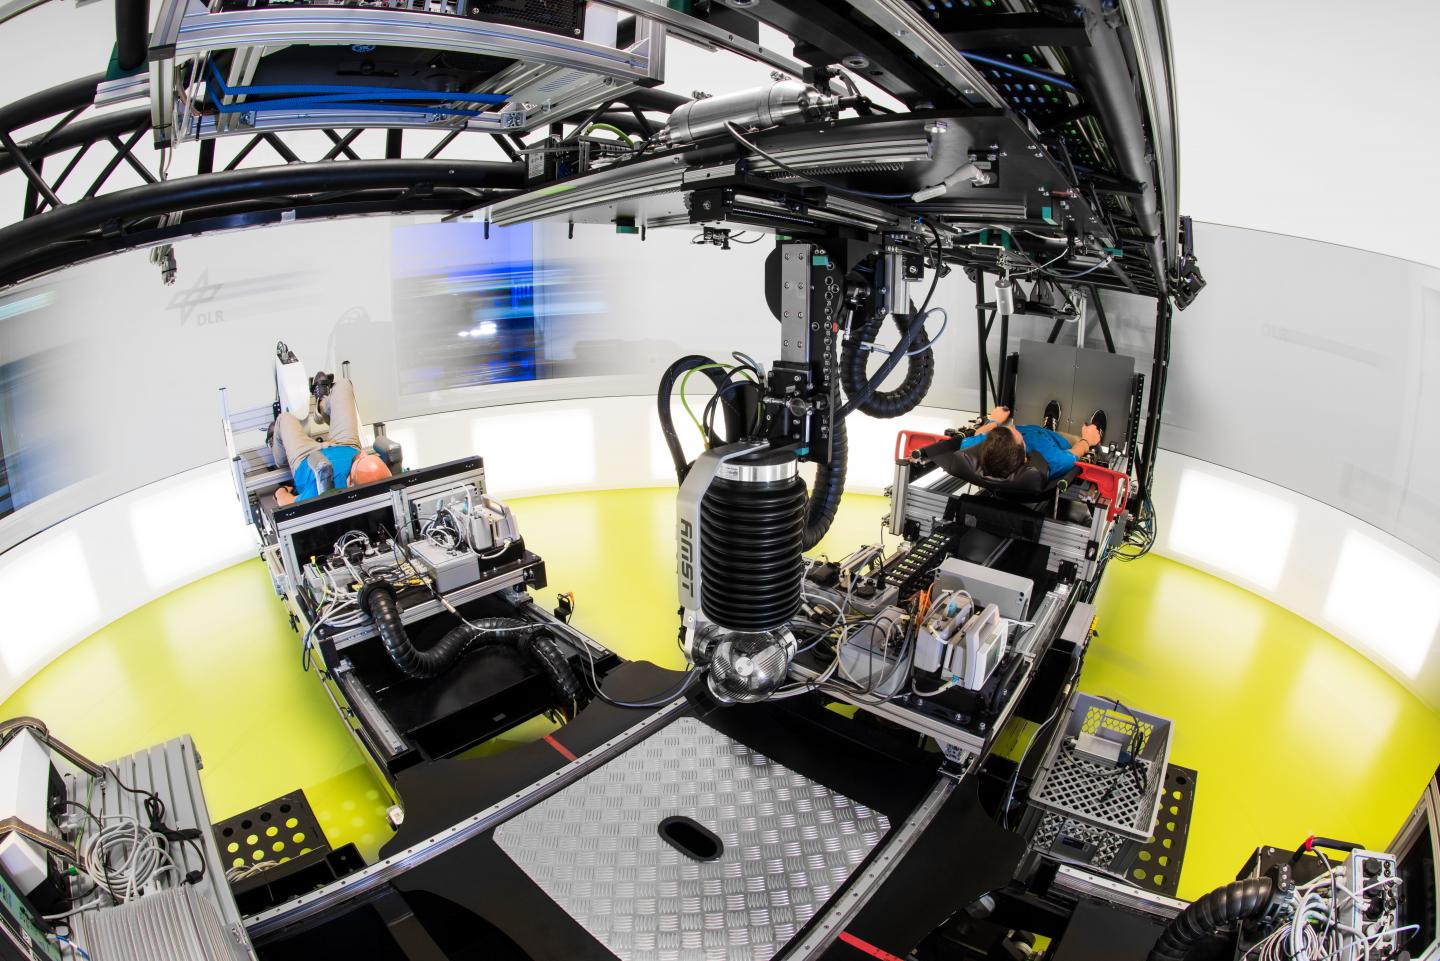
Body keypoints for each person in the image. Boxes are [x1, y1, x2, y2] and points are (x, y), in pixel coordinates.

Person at [270, 375, 391, 505]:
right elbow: (363, 457)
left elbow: (287, 502)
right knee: (343, 385)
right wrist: (360, 460)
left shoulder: (323, 488)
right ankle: (321, 405)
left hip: (306, 456)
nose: (361, 454)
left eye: (356, 463)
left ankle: (277, 452)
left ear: (350, 483)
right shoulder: (372, 470)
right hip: (346, 443)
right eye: (363, 458)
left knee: (285, 419)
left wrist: (280, 492)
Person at [960, 401, 1106, 481]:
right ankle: (1096, 438)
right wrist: (1087, 439)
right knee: (1080, 440)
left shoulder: (984, 444)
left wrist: (994, 421)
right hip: (1056, 443)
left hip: (1034, 433)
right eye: (1016, 433)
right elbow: (1076, 451)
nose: (1012, 427)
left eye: (1007, 428)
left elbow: (978, 434)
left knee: (1028, 430)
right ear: (1024, 458)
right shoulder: (1054, 459)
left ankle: (1048, 427)